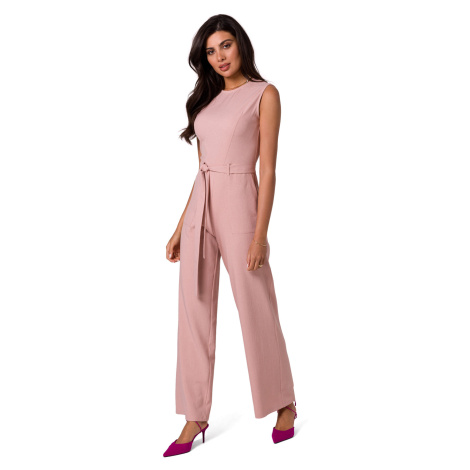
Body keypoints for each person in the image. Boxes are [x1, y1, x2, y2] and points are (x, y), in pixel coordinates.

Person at [164, 14, 297, 457]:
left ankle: (284, 402)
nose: (219, 57)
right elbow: (200, 170)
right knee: (194, 310)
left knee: (256, 306)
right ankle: (195, 414)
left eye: (225, 45)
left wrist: (261, 235)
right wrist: (180, 227)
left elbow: (269, 169)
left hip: (241, 203)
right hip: (201, 207)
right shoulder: (204, 102)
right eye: (210, 51)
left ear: (240, 44)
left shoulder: (264, 94)